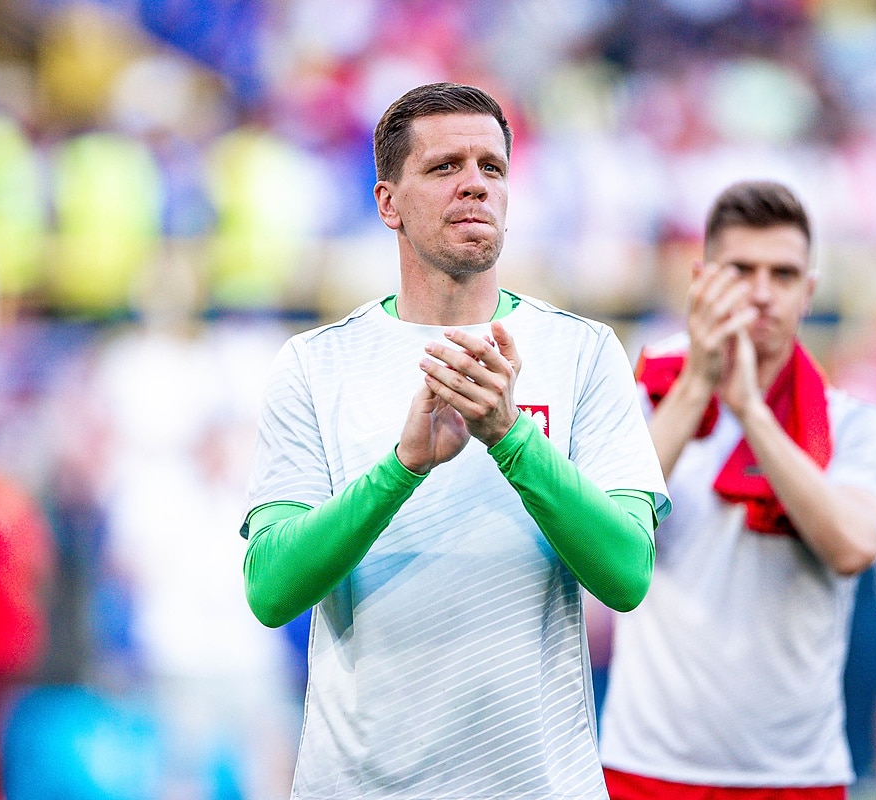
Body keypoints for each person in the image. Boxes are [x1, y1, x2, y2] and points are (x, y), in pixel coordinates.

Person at [239, 82, 670, 800]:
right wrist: (403, 467)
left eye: (491, 167)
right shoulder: (317, 363)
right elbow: (271, 589)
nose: (475, 184)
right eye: (444, 167)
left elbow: (627, 574)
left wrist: (510, 437)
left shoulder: (584, 352)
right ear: (388, 204)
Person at [599, 180, 876, 799]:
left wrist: (751, 413)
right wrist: (697, 387)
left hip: (796, 774)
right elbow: (604, 534)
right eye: (741, 271)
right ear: (701, 281)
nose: (761, 293)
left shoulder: (850, 423)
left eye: (783, 274)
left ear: (808, 292)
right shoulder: (643, 397)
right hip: (647, 766)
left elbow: (852, 547)